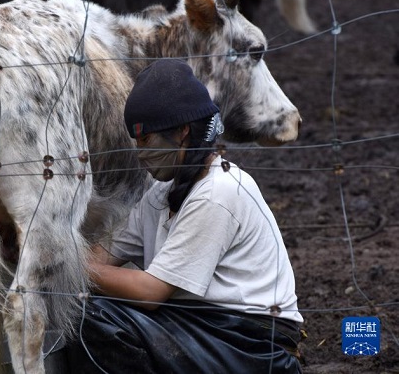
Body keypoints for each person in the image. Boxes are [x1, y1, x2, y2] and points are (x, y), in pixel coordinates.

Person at [65, 59, 305, 373]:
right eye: (136, 141)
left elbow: (150, 292)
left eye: (147, 139)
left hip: (251, 341)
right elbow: (102, 257)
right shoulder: (160, 194)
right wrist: (76, 264)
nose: (140, 152)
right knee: (89, 310)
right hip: (201, 325)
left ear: (182, 133)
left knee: (97, 319)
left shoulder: (218, 191)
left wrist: (65, 266)